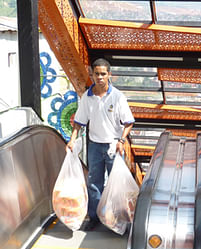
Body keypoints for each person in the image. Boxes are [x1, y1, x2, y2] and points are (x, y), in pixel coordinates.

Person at [66, 58, 134, 230]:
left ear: (109, 75)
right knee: (94, 182)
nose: (100, 77)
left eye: (103, 74)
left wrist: (122, 140)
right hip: (95, 146)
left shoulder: (117, 97)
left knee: (115, 184)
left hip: (114, 146)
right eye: (97, 74)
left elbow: (128, 122)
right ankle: (95, 217)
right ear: (92, 74)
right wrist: (72, 139)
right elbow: (79, 122)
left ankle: (116, 219)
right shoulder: (87, 97)